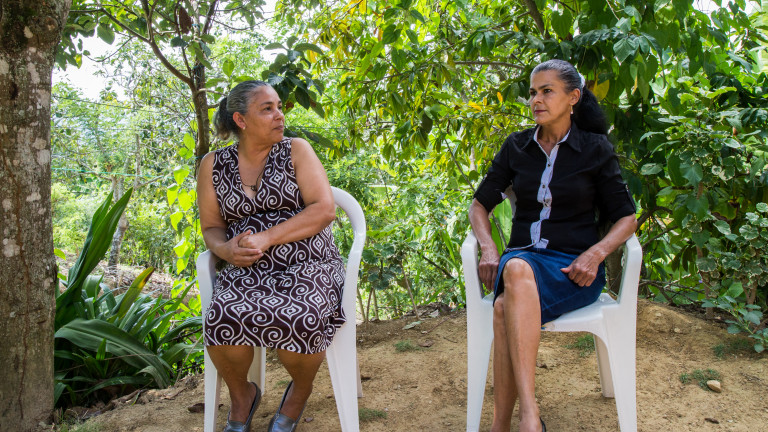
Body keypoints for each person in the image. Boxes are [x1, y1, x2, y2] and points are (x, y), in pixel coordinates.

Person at [468, 59, 638, 432]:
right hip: (520, 261)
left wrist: (596, 254)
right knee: (516, 267)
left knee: (502, 308)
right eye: (533, 92)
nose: (536, 100)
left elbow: (627, 218)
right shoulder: (517, 147)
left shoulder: (595, 149)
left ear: (573, 97)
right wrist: (488, 248)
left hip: (572, 269)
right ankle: (529, 418)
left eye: (547, 91)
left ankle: (504, 424)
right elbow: (479, 205)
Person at [197, 80, 345, 432]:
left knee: (302, 317)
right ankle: (242, 396)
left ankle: (300, 391)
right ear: (241, 120)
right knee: (221, 318)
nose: (279, 115)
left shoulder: (296, 150)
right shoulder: (213, 165)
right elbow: (212, 227)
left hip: (311, 263)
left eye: (279, 107)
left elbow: (324, 209)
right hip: (247, 270)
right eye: (267, 109)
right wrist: (225, 250)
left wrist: (267, 238)